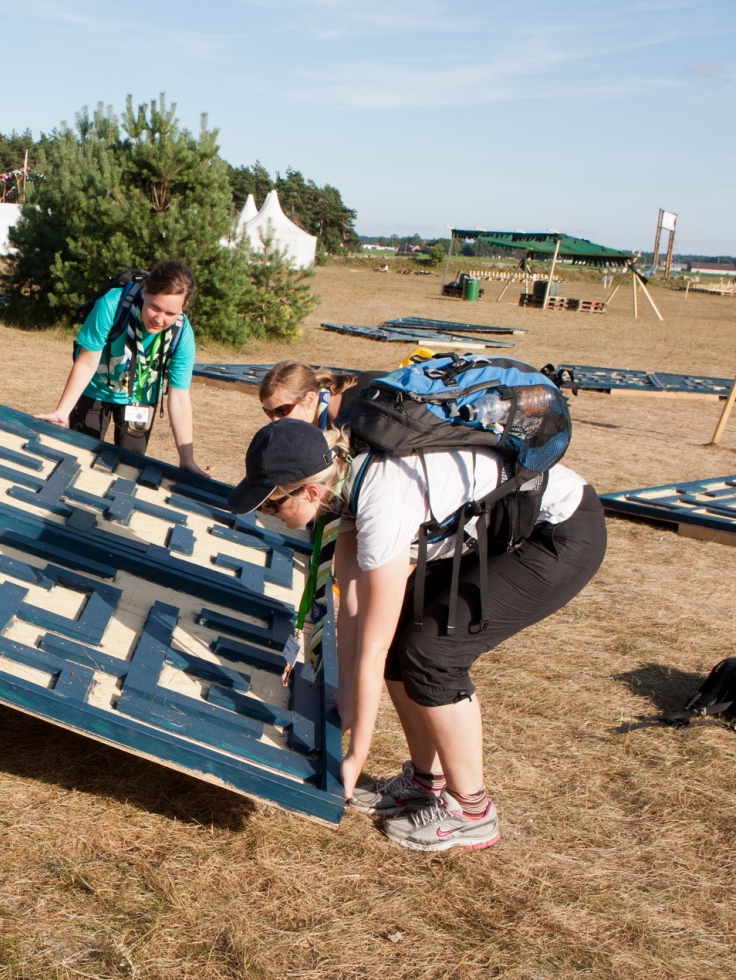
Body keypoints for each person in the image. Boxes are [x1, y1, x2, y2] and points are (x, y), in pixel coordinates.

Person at [227, 419, 605, 851]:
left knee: (433, 654)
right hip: (505, 529)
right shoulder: (346, 486)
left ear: (310, 491)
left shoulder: (380, 503)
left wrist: (353, 759)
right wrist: (346, 696)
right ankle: (426, 782)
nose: (266, 515)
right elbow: (352, 613)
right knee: (405, 640)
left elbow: (372, 648)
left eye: (272, 505)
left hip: (559, 533)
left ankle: (473, 811)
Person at [37, 260, 207, 476]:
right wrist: (61, 413)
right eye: (155, 307)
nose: (159, 319)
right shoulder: (112, 305)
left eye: (170, 313)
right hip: (95, 390)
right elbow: (87, 362)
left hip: (140, 399)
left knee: (128, 472)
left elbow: (180, 396)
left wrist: (187, 459)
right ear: (145, 291)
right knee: (78, 462)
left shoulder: (182, 333)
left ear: (182, 308)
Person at [257, 360, 359, 427]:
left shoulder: (351, 422)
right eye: (269, 413)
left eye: (281, 411)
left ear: (310, 398)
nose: (274, 421)